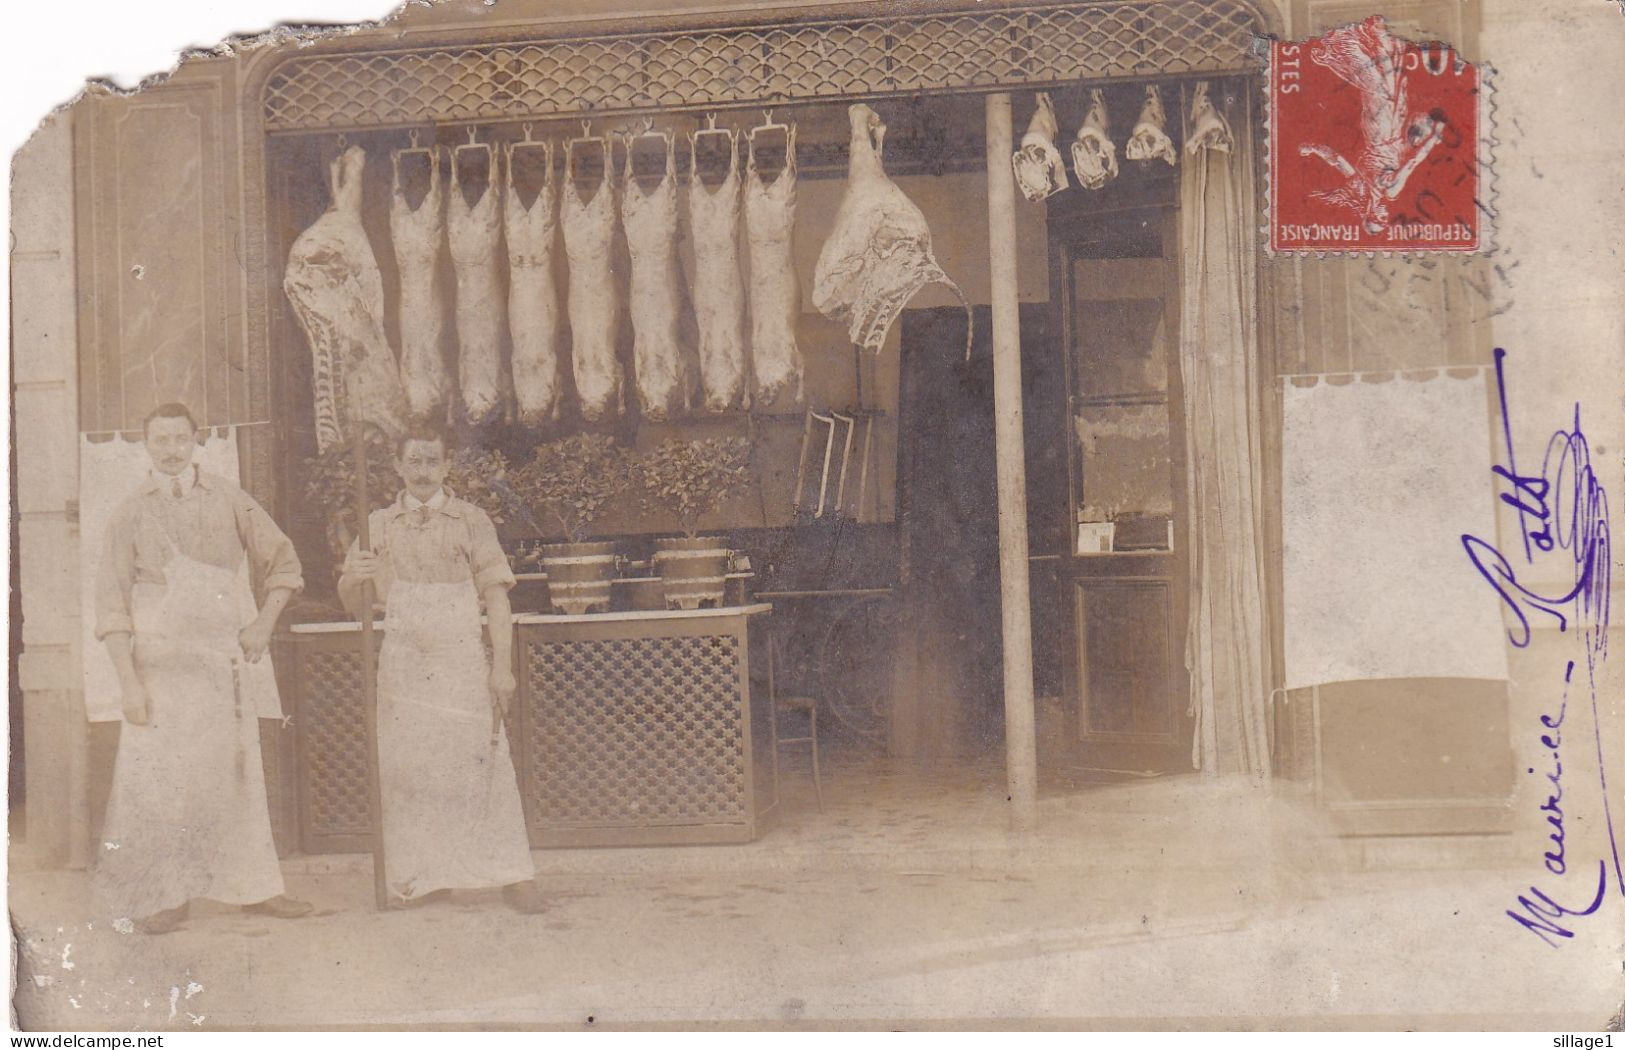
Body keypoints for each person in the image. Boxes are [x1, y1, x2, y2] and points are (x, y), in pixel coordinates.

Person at [94, 403, 313, 934]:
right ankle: (170, 894)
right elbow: (112, 606)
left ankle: (254, 888)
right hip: (161, 672)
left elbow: (284, 564)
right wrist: (127, 683)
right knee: (165, 783)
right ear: (145, 445)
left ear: (197, 442)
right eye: (159, 440)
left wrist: (262, 623)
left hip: (222, 667)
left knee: (236, 777)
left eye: (179, 438)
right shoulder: (128, 512)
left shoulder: (231, 500)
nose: (170, 450)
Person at [338, 424, 545, 913]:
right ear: (398, 468)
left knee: (482, 762)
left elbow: (496, 597)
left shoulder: (471, 521)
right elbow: (353, 604)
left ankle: (511, 874)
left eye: (432, 461)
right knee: (411, 770)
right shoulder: (379, 525)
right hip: (405, 664)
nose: (423, 472)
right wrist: (356, 578)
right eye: (414, 462)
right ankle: (421, 876)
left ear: (447, 466)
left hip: (460, 661)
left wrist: (502, 669)